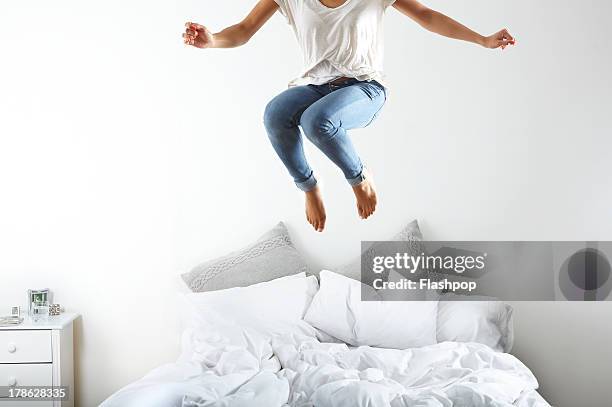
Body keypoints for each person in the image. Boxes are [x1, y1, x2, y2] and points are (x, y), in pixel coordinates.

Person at [183, 0, 515, 232]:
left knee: (317, 122)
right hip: (315, 86)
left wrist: (482, 39)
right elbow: (243, 29)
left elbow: (426, 15)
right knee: (275, 113)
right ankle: (310, 187)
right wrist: (212, 40)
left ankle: (359, 179)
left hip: (365, 88)